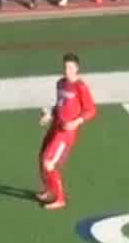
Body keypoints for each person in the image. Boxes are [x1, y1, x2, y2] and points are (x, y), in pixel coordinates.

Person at [38, 52, 98, 210]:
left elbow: (91, 110)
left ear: (77, 68)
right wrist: (49, 115)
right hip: (55, 126)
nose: (67, 70)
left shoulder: (80, 87)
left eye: (70, 67)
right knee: (42, 157)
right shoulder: (60, 83)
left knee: (48, 162)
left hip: (65, 133)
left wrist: (75, 122)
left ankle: (60, 198)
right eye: (65, 67)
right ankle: (49, 190)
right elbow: (59, 105)